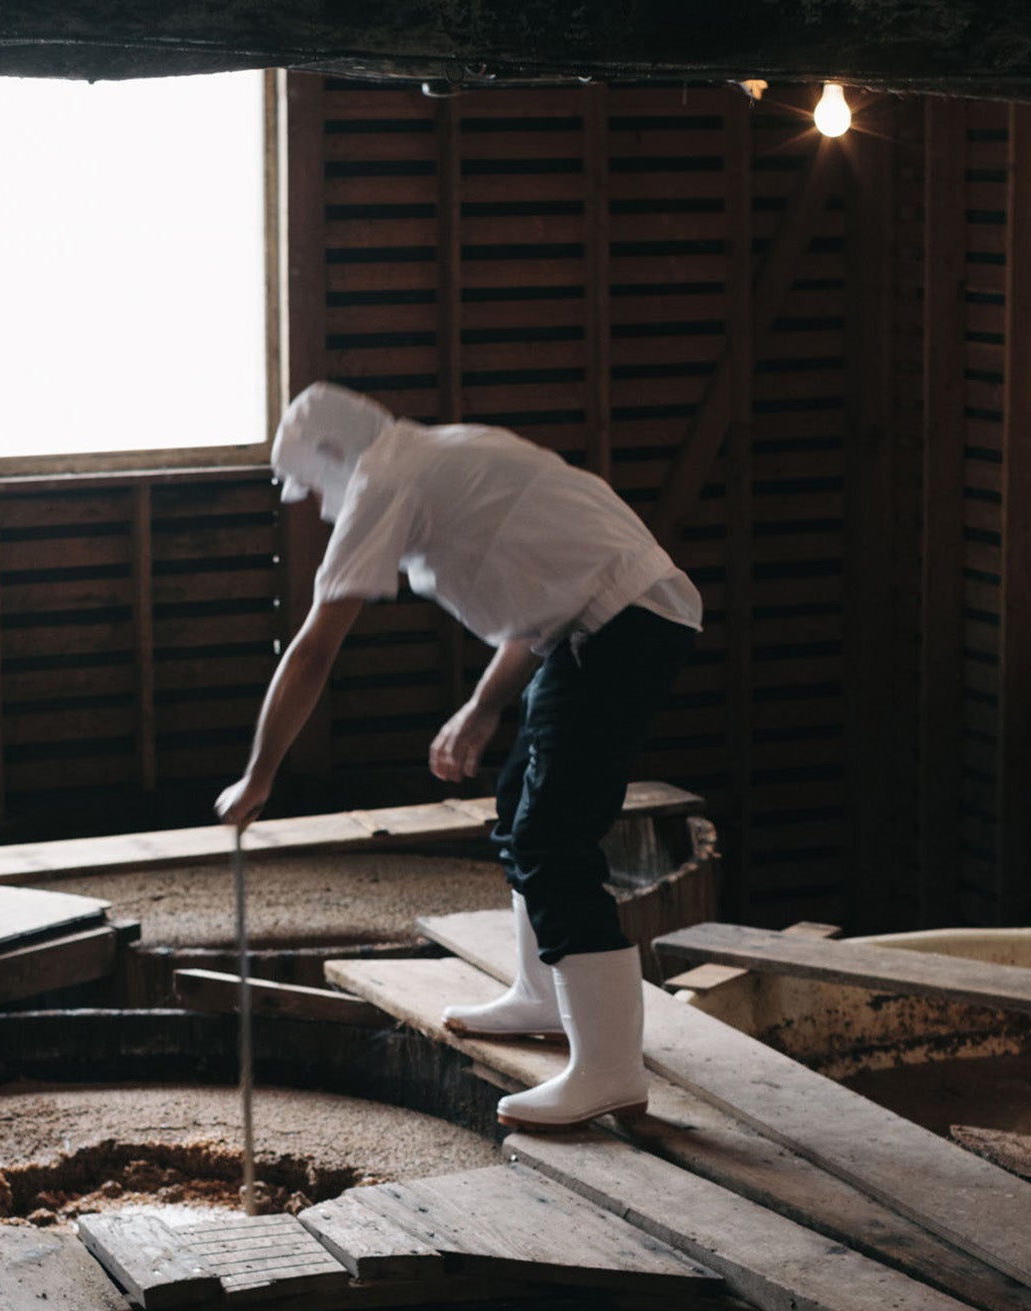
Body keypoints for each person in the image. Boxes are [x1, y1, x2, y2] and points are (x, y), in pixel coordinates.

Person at [216, 381, 701, 1129]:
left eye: (314, 485)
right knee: (520, 809)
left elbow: (315, 645)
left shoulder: (388, 475)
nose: (317, 506)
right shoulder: (443, 454)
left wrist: (258, 774)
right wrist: (482, 709)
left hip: (625, 627)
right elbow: (545, 594)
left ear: (336, 458)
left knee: (553, 837)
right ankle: (541, 995)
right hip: (598, 626)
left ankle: (610, 1070)